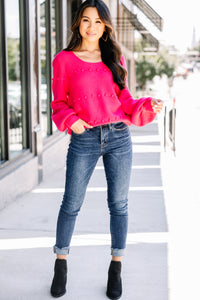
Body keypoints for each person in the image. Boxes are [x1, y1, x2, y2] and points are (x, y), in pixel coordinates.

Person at [50, 0, 163, 299]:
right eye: (86, 20)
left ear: (105, 26)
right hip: (84, 138)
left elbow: (124, 101)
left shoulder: (114, 56)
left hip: (118, 137)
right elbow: (58, 103)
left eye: (98, 22)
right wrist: (70, 120)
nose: (91, 27)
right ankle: (60, 263)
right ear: (78, 24)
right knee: (71, 204)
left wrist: (146, 104)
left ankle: (116, 267)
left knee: (119, 204)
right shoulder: (63, 59)